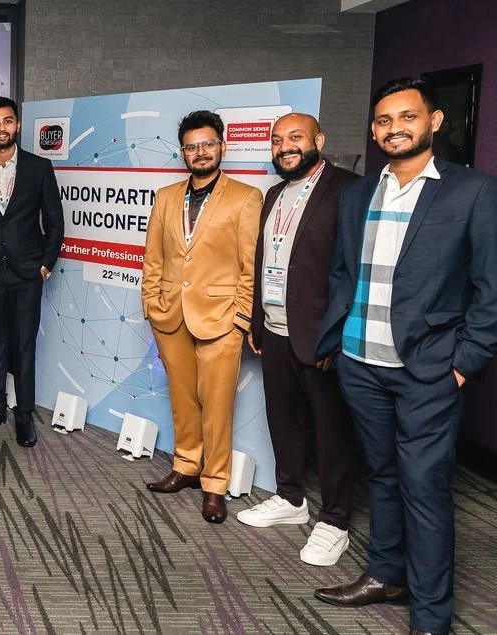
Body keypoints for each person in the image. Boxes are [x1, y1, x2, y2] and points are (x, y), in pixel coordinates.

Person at [313, 78, 497, 635]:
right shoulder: (358, 194)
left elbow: (491, 287)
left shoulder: (473, 191)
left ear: (434, 121)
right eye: (383, 120)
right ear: (373, 129)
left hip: (429, 370)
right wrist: (337, 338)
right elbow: (345, 272)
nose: (394, 128)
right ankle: (385, 575)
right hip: (360, 363)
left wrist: (466, 361)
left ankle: (431, 617)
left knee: (425, 488)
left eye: (406, 117)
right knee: (384, 475)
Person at [238, 113, 358, 566]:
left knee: (332, 431)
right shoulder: (274, 194)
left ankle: (335, 519)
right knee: (282, 418)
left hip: (321, 336)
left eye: (295, 137)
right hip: (274, 329)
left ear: (318, 140)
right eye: (277, 139)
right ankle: (290, 498)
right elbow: (265, 260)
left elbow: (354, 271)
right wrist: (255, 320)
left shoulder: (348, 189)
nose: (284, 146)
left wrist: (336, 334)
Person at [141, 110, 262, 523]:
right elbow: (152, 260)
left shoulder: (246, 197)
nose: (201, 152)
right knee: (182, 399)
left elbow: (250, 266)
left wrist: (241, 319)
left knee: (217, 405)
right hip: (171, 315)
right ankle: (186, 466)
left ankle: (215, 484)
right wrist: (152, 308)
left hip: (221, 319)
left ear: (222, 147)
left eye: (208, 144)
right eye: (192, 147)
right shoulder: (166, 196)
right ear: (183, 153)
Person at [0, 95, 64, 446]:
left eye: (7, 121)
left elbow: (54, 220)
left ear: (17, 125)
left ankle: (24, 417)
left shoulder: (39, 167)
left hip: (26, 274)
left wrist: (46, 264)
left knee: (23, 346)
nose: (1, 128)